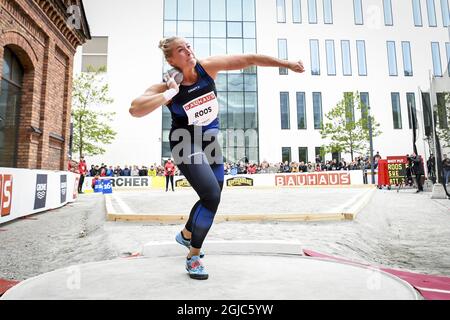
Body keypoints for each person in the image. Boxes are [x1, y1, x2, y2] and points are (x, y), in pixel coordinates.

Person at [129, 36, 305, 280]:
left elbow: (250, 59)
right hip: (184, 140)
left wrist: (286, 64)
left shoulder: (208, 67)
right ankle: (193, 257)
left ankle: (187, 233)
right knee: (211, 196)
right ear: (171, 59)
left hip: (210, 142)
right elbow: (135, 109)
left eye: (188, 46)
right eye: (181, 50)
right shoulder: (166, 85)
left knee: (213, 194)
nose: (189, 50)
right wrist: (170, 93)